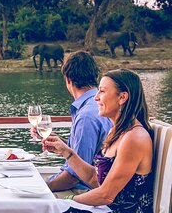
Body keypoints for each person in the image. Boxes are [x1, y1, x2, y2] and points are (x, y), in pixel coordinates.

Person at [43, 69, 154, 212]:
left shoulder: (134, 137)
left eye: (102, 91)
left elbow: (106, 195)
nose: (96, 98)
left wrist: (67, 201)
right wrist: (66, 152)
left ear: (122, 97)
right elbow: (94, 178)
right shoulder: (117, 132)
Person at [31, 51, 112, 198]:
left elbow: (74, 178)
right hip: (89, 186)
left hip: (84, 191)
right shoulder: (97, 106)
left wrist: (41, 188)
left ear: (68, 80)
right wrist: (59, 141)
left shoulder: (86, 115)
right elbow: (88, 152)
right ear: (95, 77)